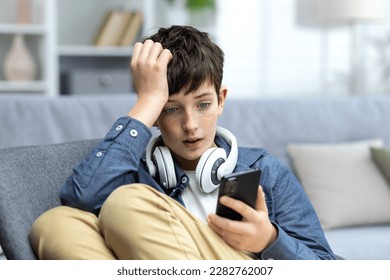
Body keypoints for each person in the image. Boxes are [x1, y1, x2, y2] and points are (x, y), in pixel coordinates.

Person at [29, 25, 335, 260]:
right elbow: (80, 198)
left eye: (202, 105)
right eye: (171, 109)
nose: (190, 125)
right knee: (56, 224)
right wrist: (148, 100)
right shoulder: (134, 172)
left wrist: (268, 240)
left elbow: (325, 266)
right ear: (156, 116)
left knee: (126, 203)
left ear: (221, 100)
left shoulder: (266, 171)